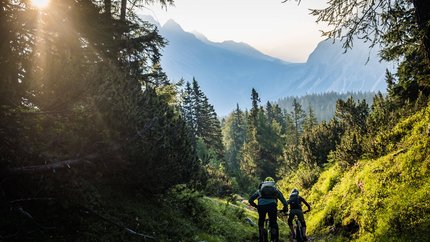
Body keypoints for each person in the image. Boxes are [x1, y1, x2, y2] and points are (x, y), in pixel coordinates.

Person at [248, 177, 289, 242]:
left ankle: (261, 237)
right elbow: (284, 202)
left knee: (261, 221)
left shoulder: (260, 190)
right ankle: (273, 239)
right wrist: (285, 209)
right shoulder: (276, 190)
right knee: (273, 222)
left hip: (261, 207)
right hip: (272, 206)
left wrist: (256, 206)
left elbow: (250, 200)